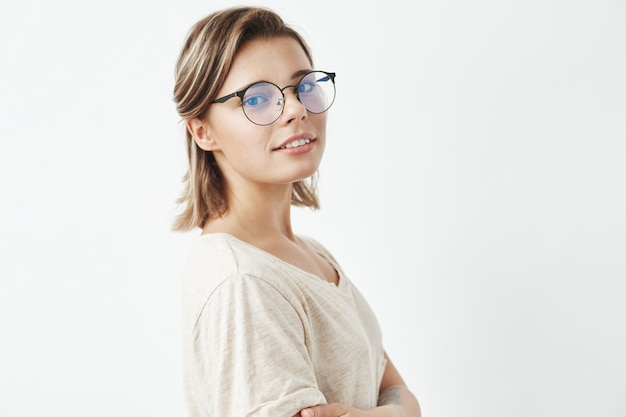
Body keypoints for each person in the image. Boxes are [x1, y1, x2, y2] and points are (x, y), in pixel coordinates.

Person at [172, 6, 421, 417]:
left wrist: (392, 411)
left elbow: (394, 389)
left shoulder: (311, 254)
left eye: (303, 86)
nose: (295, 110)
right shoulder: (243, 281)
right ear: (203, 131)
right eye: (256, 98)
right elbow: (402, 400)